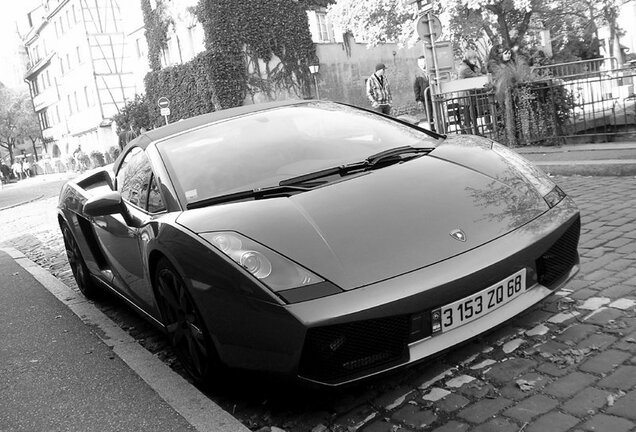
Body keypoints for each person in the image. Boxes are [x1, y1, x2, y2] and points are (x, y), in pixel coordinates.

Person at [457, 50, 484, 134]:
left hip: (467, 94)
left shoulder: (468, 66)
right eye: (473, 58)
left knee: (470, 113)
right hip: (466, 94)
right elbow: (477, 76)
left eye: (475, 58)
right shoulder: (466, 68)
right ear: (468, 58)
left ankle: (468, 131)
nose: (475, 60)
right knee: (470, 113)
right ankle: (470, 132)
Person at [414, 55, 435, 131]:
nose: (422, 65)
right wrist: (418, 99)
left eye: (423, 62)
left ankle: (440, 127)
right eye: (420, 63)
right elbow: (416, 87)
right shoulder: (418, 74)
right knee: (429, 114)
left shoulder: (431, 71)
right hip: (425, 98)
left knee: (436, 112)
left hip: (434, 95)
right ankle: (432, 129)